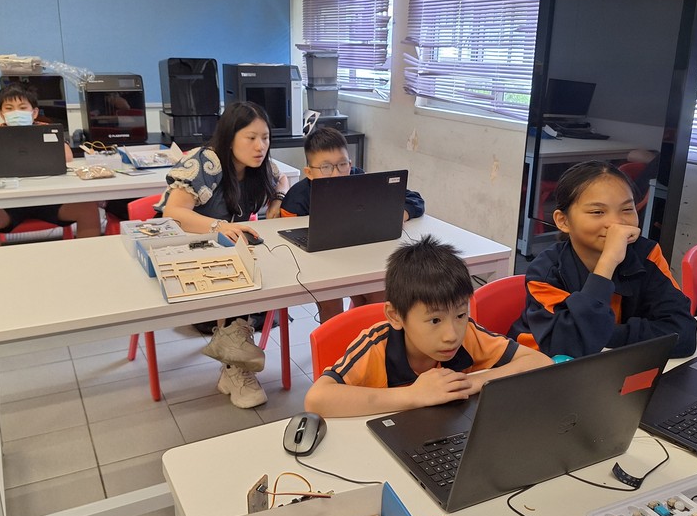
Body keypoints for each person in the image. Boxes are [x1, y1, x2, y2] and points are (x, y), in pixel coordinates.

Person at [304, 235, 552, 418]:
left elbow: (540, 362)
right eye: (435, 320)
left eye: (460, 314)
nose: (451, 335)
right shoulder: (378, 345)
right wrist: (413, 395)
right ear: (395, 316)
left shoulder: (469, 334)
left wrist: (474, 382)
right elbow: (317, 399)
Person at [155, 101, 289, 409]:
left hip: (221, 251)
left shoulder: (259, 166)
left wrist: (277, 199)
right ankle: (235, 361)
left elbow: (281, 178)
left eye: (265, 137)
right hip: (183, 248)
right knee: (238, 275)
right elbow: (173, 212)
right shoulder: (205, 162)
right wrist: (219, 226)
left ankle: (233, 357)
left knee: (254, 270)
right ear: (230, 138)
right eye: (251, 138)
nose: (260, 146)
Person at [508, 160, 696, 359]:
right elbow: (570, 347)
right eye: (597, 212)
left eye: (627, 209)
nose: (616, 223)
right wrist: (608, 261)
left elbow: (683, 334)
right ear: (563, 221)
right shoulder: (545, 272)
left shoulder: (647, 254)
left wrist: (599, 334)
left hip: (611, 363)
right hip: (535, 365)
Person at [281, 126, 425, 321]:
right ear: (309, 172)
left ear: (350, 163)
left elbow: (414, 199)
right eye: (325, 167)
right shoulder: (298, 198)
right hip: (321, 265)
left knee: (379, 295)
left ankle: (367, 336)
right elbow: (286, 235)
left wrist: (401, 213)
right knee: (330, 303)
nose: (336, 174)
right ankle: (335, 339)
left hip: (361, 259)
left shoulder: (360, 180)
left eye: (342, 165)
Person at [0, 84, 101, 249]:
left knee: (88, 208)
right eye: (9, 108)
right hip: (6, 203)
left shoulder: (46, 130)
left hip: (50, 199)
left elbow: (67, 156)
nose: (16, 112)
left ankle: (88, 258)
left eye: (22, 108)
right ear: (1, 113)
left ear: (34, 112)